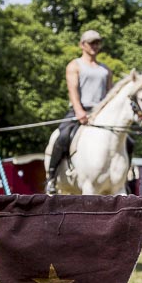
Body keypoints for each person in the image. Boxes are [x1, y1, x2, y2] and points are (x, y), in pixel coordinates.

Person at [47, 29, 112, 193]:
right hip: (79, 112)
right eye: (91, 43)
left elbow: (110, 95)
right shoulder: (74, 65)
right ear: (82, 45)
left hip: (100, 114)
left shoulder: (106, 70)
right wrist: (79, 111)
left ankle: (124, 177)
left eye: (97, 43)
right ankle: (51, 177)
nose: (95, 46)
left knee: (127, 141)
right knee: (62, 136)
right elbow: (73, 90)